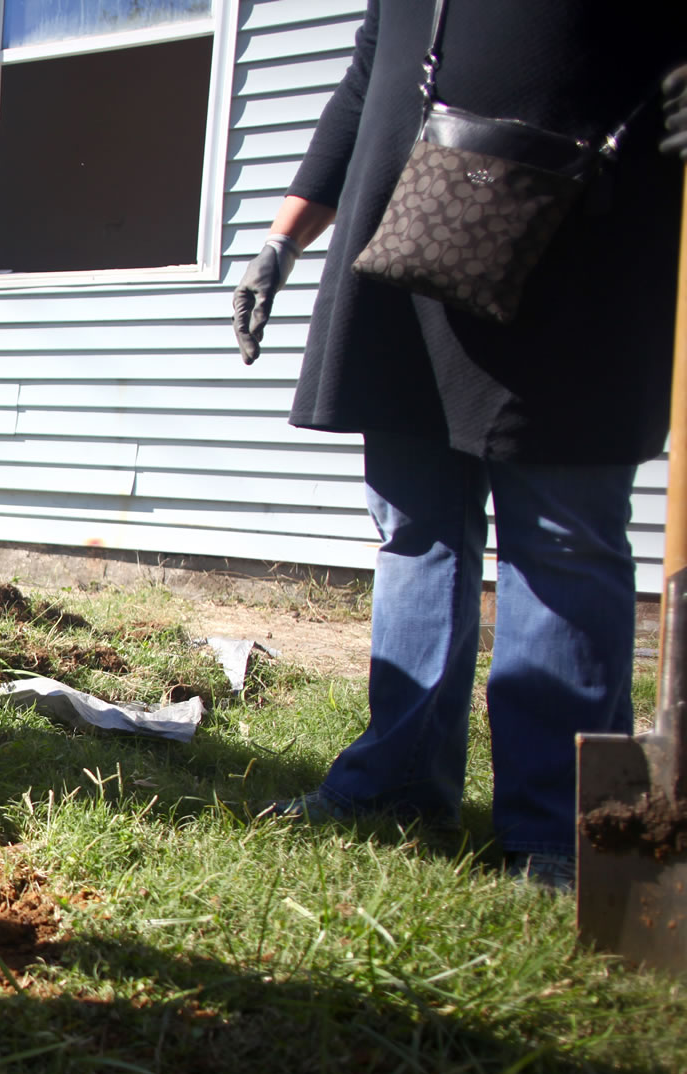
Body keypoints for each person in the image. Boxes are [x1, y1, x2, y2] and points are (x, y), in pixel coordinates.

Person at [232, 0, 687, 883]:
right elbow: (372, 73)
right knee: (414, 529)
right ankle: (398, 782)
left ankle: (562, 829)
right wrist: (281, 241)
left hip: (578, 244)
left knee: (561, 543)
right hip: (408, 246)